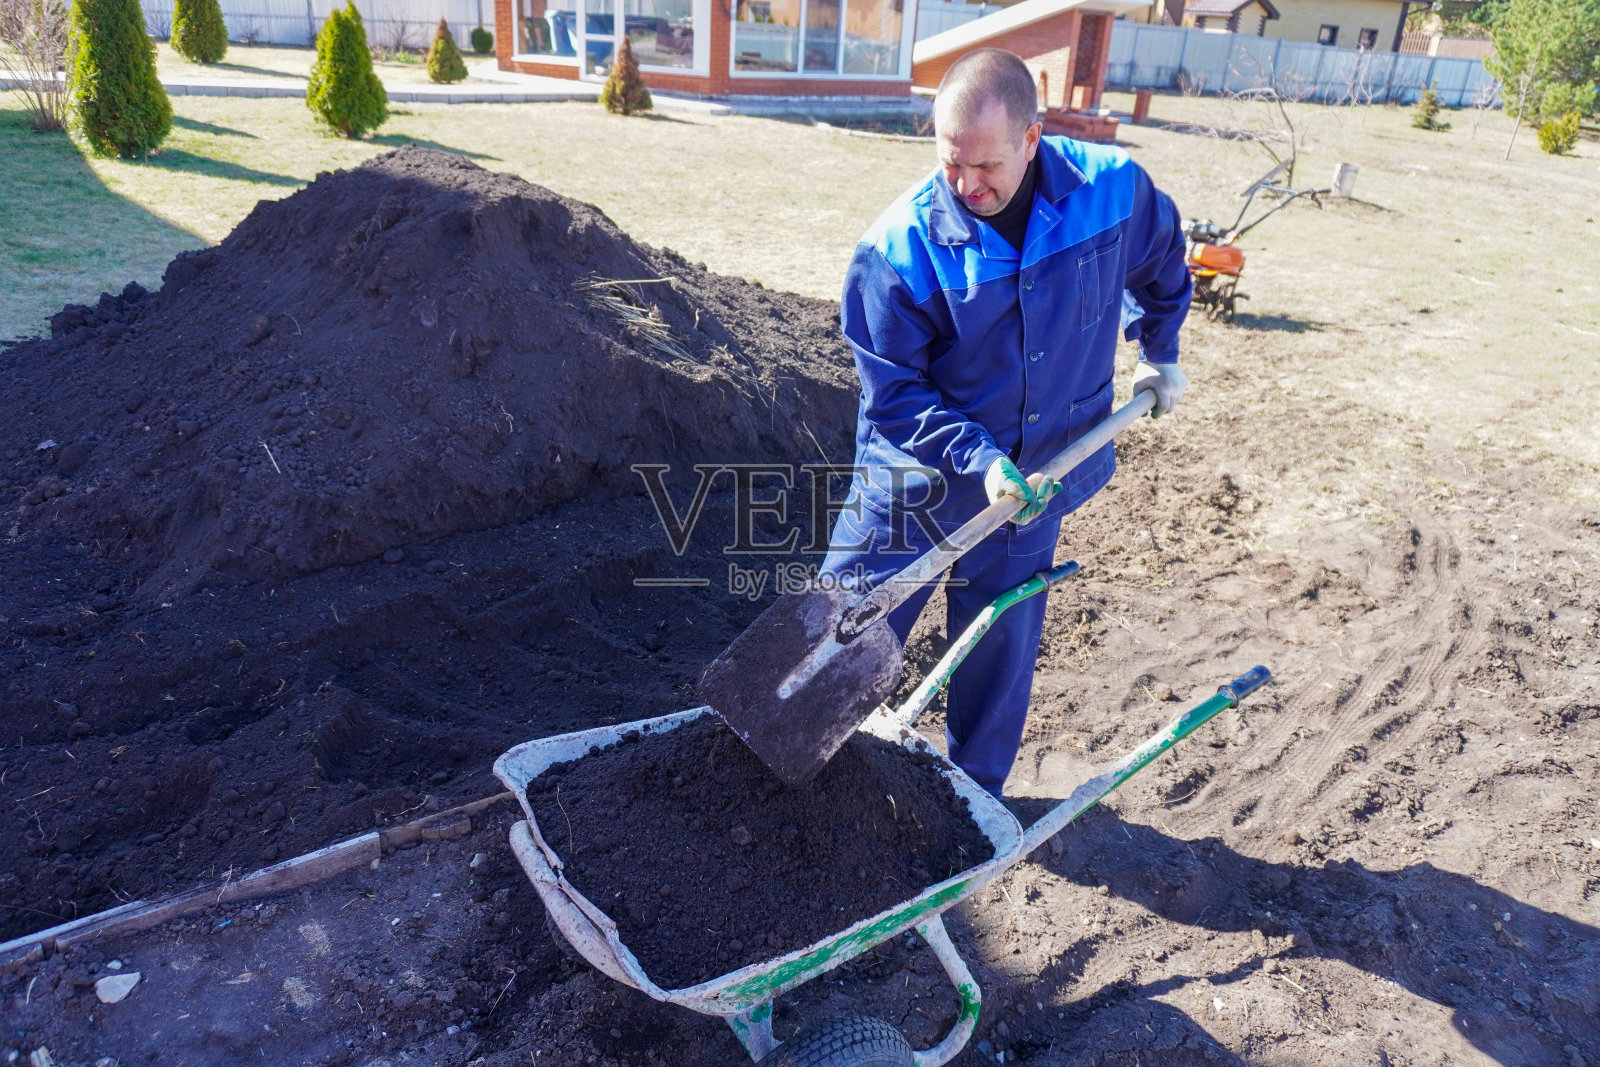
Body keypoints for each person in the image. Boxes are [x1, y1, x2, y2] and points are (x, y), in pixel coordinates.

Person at [820, 48, 1192, 797]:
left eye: (985, 165)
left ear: (1033, 137)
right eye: (949, 164)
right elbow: (893, 393)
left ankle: (970, 800)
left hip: (1036, 474)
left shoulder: (1112, 194)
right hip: (917, 477)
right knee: (845, 632)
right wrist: (978, 457)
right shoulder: (896, 252)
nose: (965, 184)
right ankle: (806, 779)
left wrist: (1161, 349)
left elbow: (1164, 259)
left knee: (998, 632)